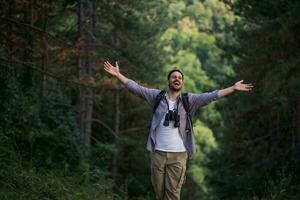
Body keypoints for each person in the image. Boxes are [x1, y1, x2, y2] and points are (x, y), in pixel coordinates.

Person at [103, 61, 253, 200]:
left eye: (180, 78)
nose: (177, 79)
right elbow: (136, 88)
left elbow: (212, 96)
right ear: (168, 81)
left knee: (172, 195)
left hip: (179, 155)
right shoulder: (156, 97)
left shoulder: (189, 100)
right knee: (159, 194)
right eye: (174, 77)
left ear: (182, 82)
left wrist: (233, 88)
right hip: (158, 154)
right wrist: (118, 75)